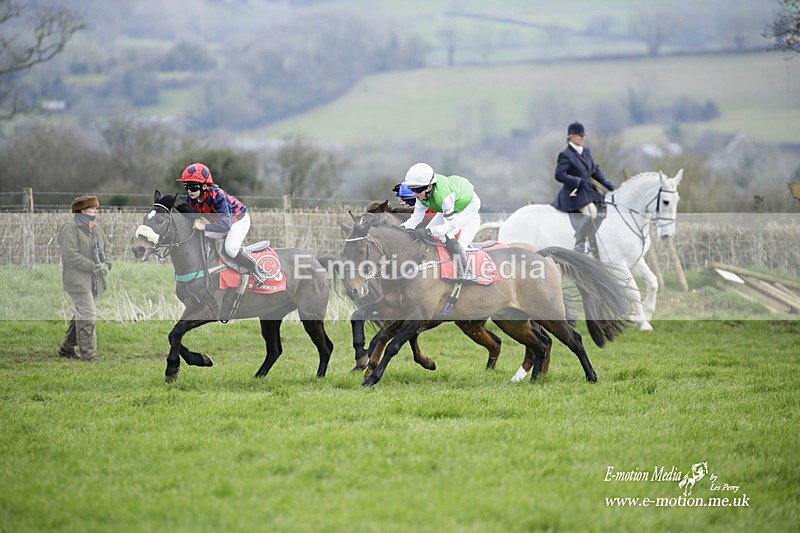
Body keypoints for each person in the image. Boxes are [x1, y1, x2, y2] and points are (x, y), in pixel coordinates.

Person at [177, 162, 267, 284]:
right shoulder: (192, 200)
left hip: (238, 221)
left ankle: (259, 271)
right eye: (186, 186)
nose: (189, 191)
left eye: (193, 187)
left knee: (230, 248)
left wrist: (204, 226)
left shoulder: (217, 196)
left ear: (204, 186)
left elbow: (225, 225)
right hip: (223, 222)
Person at [400, 162, 481, 282]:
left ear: (429, 187)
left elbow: (451, 225)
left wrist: (429, 231)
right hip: (453, 204)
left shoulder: (444, 197)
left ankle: (467, 272)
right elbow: (415, 219)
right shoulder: (422, 196)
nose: (415, 194)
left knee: (448, 234)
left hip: (468, 206)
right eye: (412, 189)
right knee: (430, 232)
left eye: (417, 189)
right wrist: (400, 228)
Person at [57, 195, 112, 361]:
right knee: (88, 314)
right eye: (92, 207)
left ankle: (66, 348)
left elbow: (107, 249)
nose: (95, 210)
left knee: (81, 314)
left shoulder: (96, 228)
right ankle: (89, 354)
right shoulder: (70, 228)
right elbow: (70, 255)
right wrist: (94, 267)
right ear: (81, 210)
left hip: (94, 281)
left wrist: (106, 264)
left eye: (96, 208)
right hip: (77, 280)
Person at [551, 121, 616, 258]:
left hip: (588, 191)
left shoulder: (586, 151)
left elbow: (594, 171)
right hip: (573, 193)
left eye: (583, 135)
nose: (583, 138)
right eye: (580, 135)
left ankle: (593, 242)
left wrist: (609, 186)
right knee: (591, 212)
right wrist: (577, 181)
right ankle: (579, 243)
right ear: (571, 137)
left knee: (605, 208)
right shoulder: (566, 155)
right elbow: (559, 175)